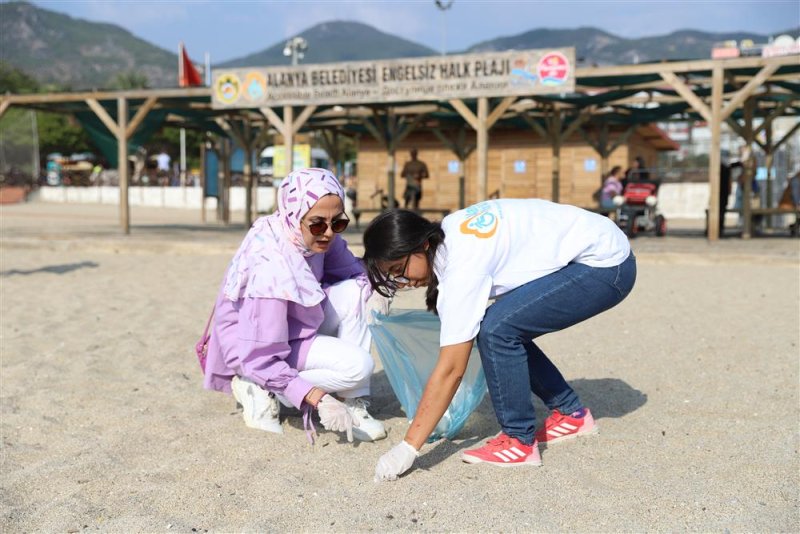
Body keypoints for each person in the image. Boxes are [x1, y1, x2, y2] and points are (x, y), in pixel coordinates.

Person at [362, 199, 636, 480]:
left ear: (423, 245)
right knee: (500, 324)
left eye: (399, 270)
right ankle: (570, 415)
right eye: (393, 276)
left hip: (606, 266)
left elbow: (451, 370)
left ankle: (519, 441)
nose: (403, 281)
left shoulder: (462, 270)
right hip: (601, 243)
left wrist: (408, 447)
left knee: (497, 330)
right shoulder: (449, 231)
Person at [202, 168, 387, 443]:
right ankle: (259, 385)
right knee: (359, 366)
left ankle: (353, 401)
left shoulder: (316, 238)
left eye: (338, 223)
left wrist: (376, 289)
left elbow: (353, 272)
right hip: (253, 347)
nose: (327, 233)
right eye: (317, 224)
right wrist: (317, 397)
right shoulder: (269, 267)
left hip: (294, 327)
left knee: (361, 292)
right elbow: (260, 357)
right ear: (293, 214)